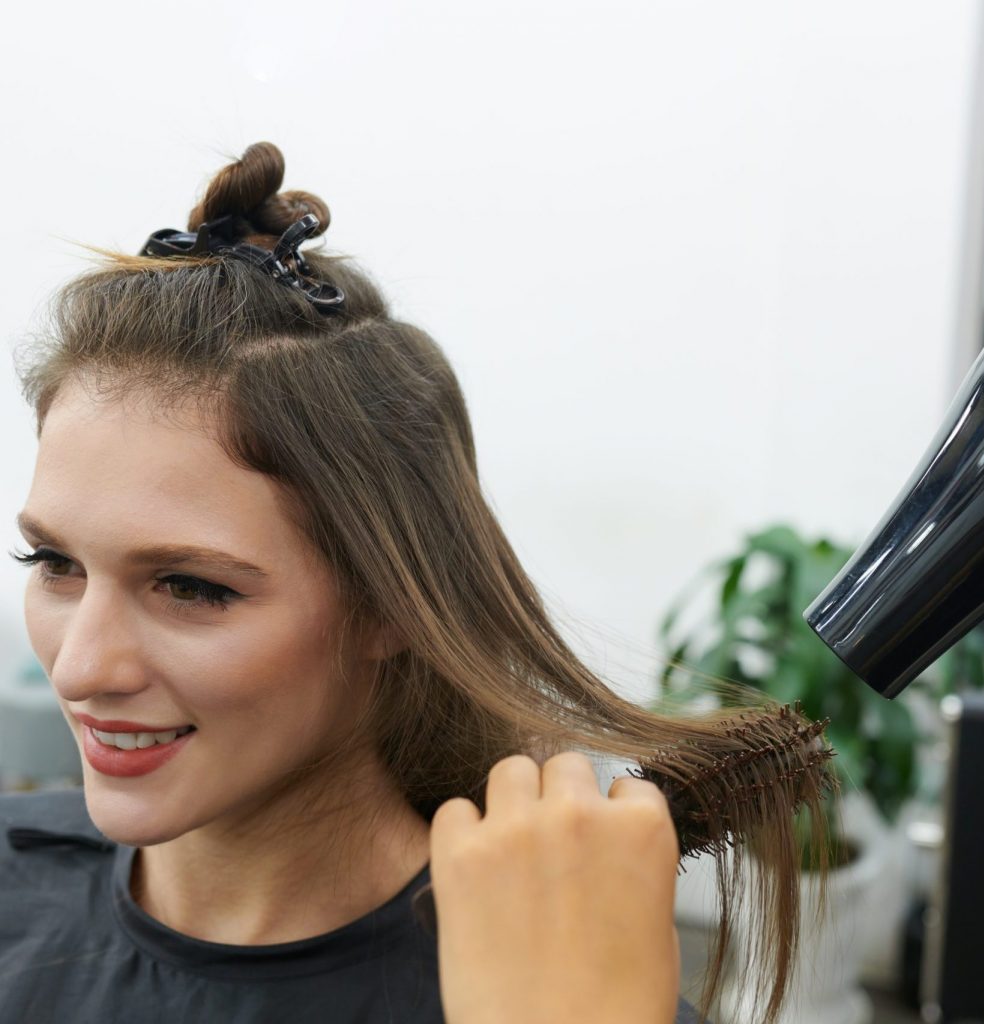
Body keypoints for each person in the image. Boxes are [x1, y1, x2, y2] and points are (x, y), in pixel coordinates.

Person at [0, 142, 836, 1024]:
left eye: (191, 587)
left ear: (393, 601)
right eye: (55, 564)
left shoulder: (557, 1000)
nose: (80, 669)